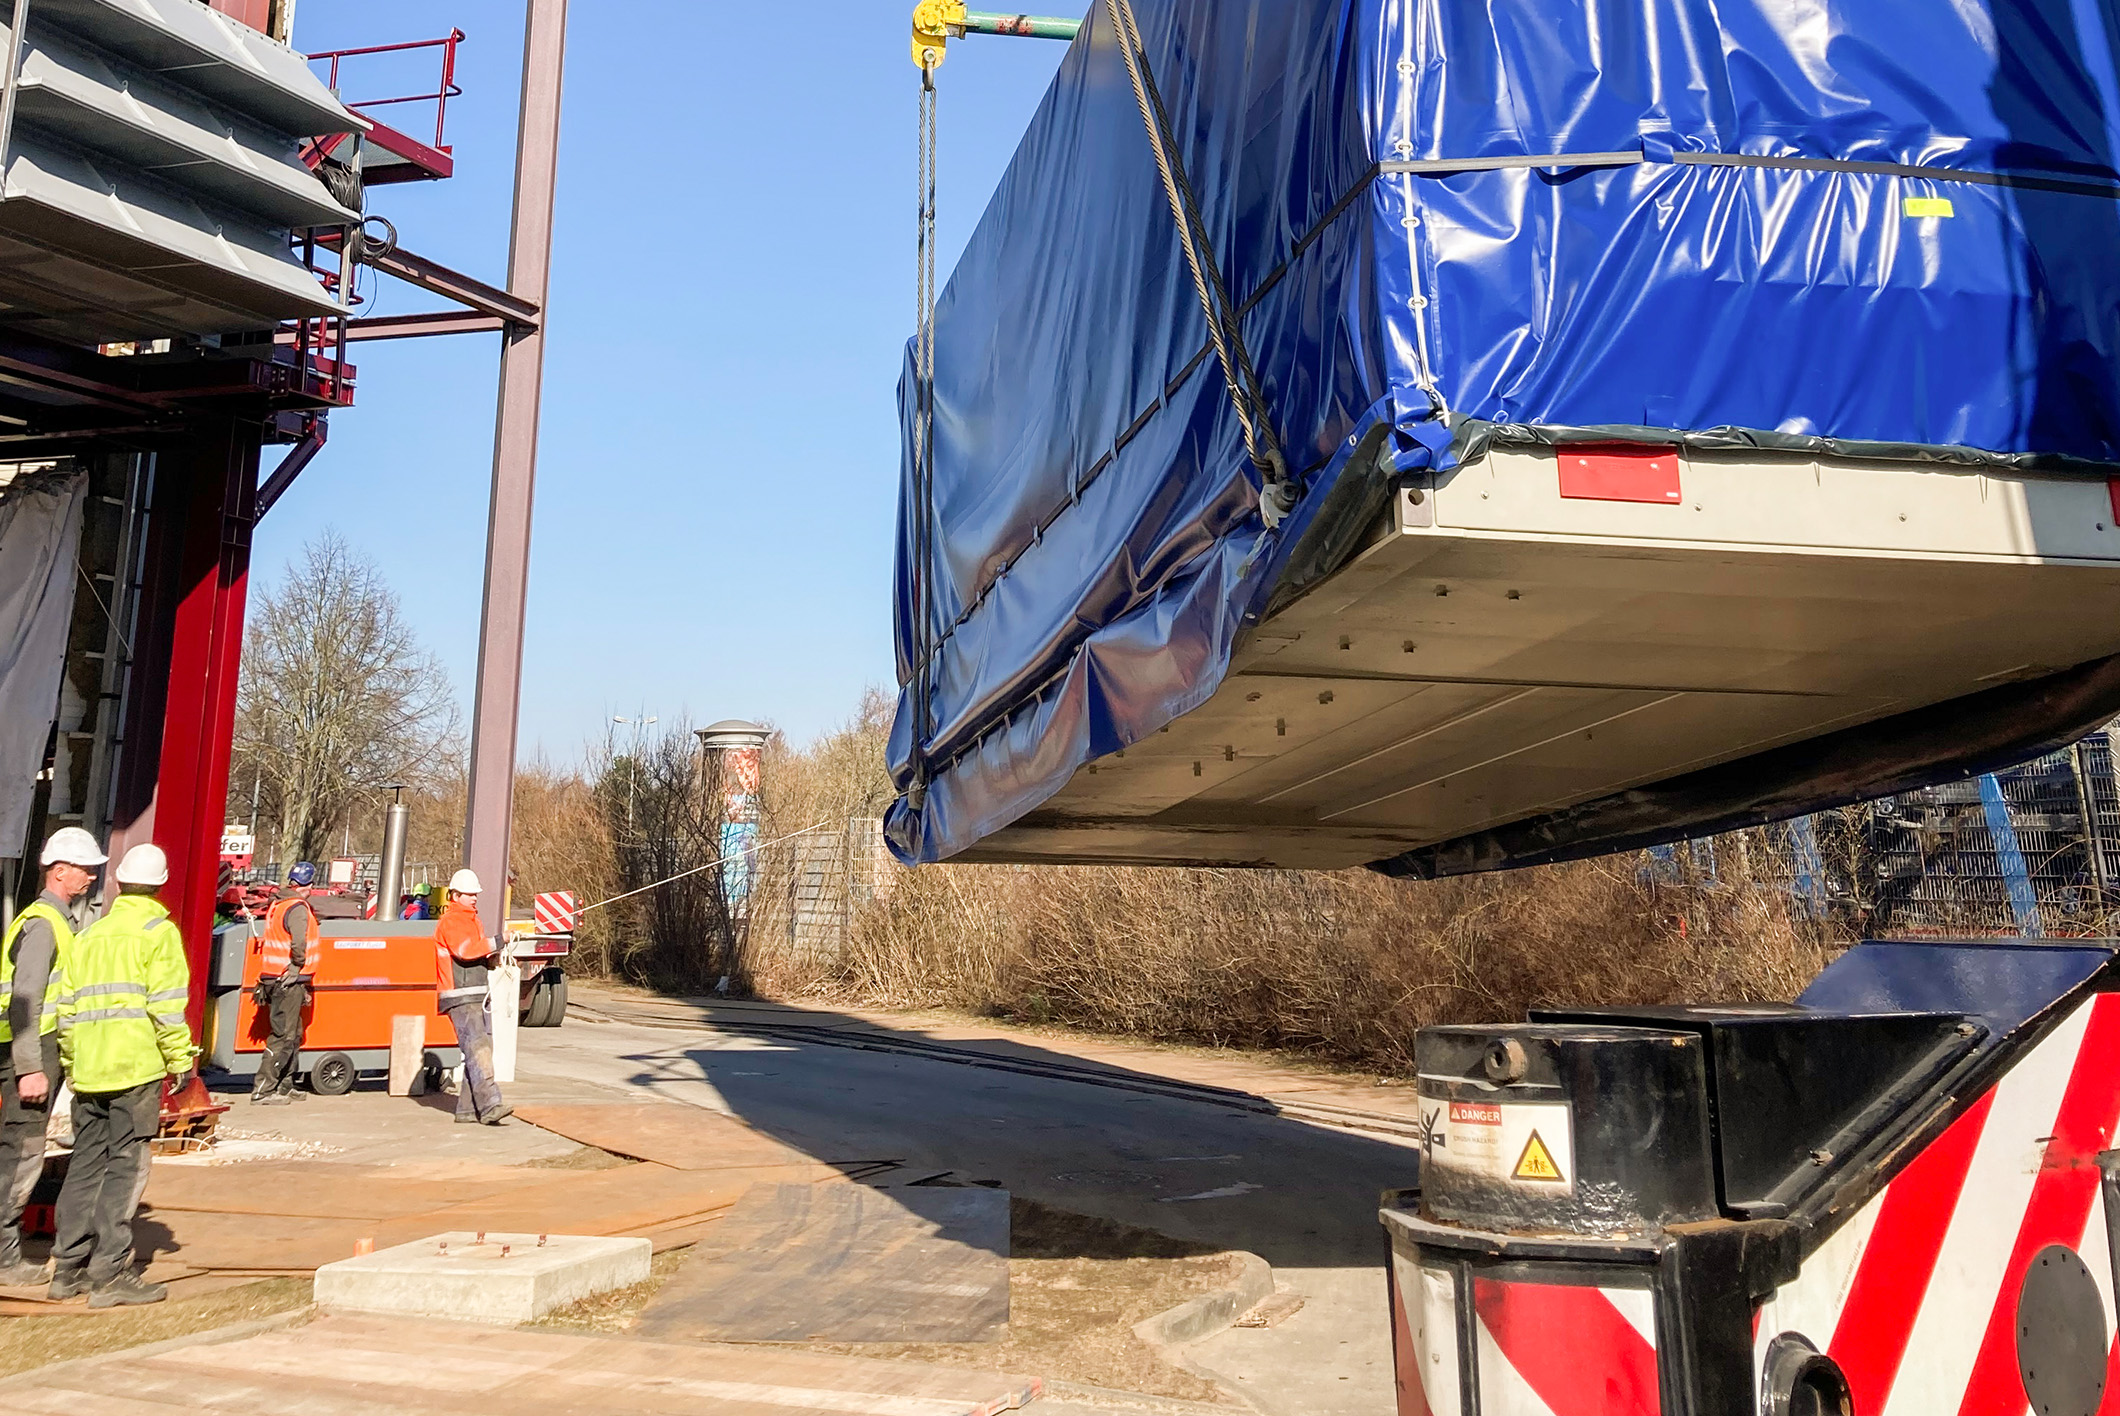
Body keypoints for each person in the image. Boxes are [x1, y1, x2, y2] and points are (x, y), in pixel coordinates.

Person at [49, 844, 196, 1307]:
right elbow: (166, 1008)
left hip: (90, 1071)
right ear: (161, 885)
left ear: (117, 883)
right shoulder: (159, 933)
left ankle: (66, 1269)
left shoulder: (89, 936)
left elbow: (65, 1012)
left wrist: (73, 1065)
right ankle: (109, 1274)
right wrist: (180, 1061)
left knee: (84, 1167)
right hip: (135, 1071)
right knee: (124, 1169)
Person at [0, 828, 104, 1284]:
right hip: (31, 1052)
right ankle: (3, 1258)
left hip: (38, 1049)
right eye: (85, 869)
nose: (91, 877)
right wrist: (30, 1069)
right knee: (19, 1154)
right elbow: (26, 999)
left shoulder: (58, 920)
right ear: (59, 871)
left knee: (21, 1153)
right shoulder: (44, 924)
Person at [433, 869, 509, 1126]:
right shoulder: (452, 921)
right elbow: (465, 952)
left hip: (475, 993)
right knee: (478, 1050)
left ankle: (467, 1109)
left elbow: (473, 954)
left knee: (479, 1050)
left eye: (475, 894)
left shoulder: (472, 920)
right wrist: (497, 941)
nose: (474, 898)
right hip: (460, 997)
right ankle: (490, 1105)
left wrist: (490, 959)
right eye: (469, 894)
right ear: (455, 895)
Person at [249, 862, 318, 1105]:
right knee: (284, 1036)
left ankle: (285, 1085)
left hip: (275, 978)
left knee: (294, 1033)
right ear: (307, 886)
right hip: (287, 980)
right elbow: (299, 943)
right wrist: (298, 966)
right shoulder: (297, 908)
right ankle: (263, 1090)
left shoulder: (277, 904)